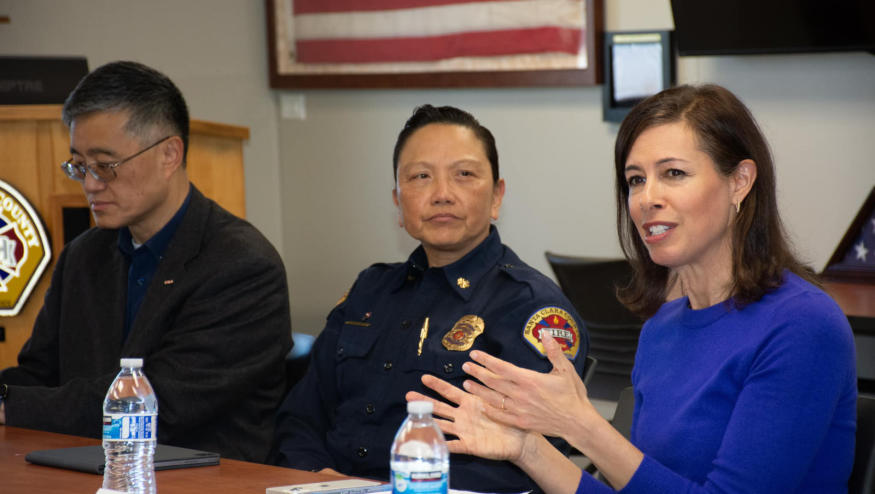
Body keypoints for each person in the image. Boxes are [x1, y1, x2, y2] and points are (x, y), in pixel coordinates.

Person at [408, 85, 857, 493]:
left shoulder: (802, 325)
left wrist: (585, 426)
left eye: (674, 173)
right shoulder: (663, 326)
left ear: (739, 181)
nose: (646, 198)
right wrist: (526, 448)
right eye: (636, 179)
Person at [273, 105, 589, 492]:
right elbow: (300, 418)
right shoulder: (369, 290)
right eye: (421, 176)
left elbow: (537, 461)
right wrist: (318, 478)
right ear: (397, 200)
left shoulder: (529, 308)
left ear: (496, 196)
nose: (442, 194)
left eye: (464, 175)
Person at [0, 61, 293, 463]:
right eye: (79, 165)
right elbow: (39, 376)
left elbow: (155, 406)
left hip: (200, 481)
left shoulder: (241, 266)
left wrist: (11, 405)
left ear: (170, 154)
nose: (89, 184)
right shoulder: (84, 256)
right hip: (82, 469)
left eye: (106, 165)